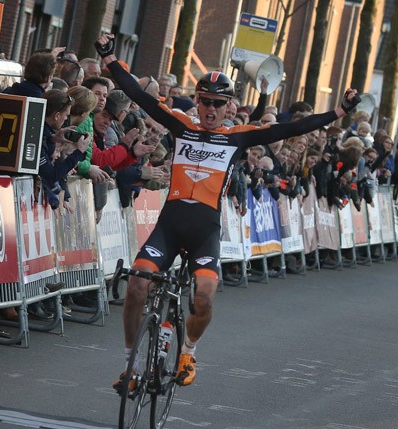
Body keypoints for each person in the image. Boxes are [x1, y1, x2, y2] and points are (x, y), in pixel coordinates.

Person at [95, 33, 361, 390]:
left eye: (217, 104)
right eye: (204, 101)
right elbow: (139, 95)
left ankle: (188, 352)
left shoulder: (239, 136)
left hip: (205, 229)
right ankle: (129, 366)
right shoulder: (181, 125)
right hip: (170, 223)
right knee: (137, 286)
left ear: (228, 106)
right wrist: (110, 57)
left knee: (203, 296)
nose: (209, 109)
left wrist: (339, 112)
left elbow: (292, 127)